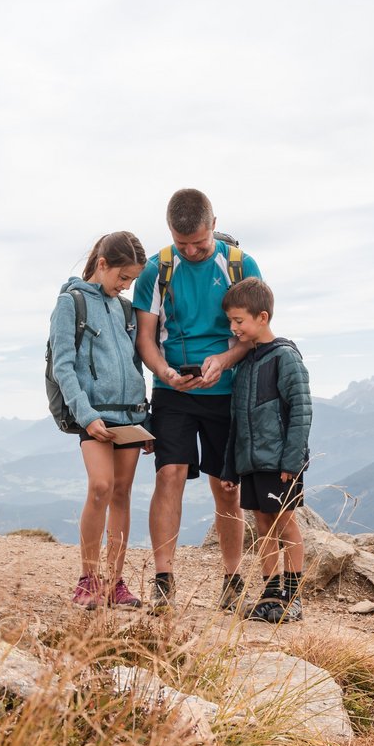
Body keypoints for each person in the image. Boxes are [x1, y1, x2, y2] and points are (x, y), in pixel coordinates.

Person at [131, 189, 262, 609]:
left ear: (214, 226)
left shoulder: (241, 265)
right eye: (181, 243)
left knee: (226, 487)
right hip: (174, 391)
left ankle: (232, 579)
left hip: (226, 390)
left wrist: (223, 360)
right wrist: (165, 372)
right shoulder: (157, 269)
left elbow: (251, 333)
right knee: (168, 475)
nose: (190, 251)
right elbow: (146, 340)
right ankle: (164, 579)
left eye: (199, 244)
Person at [48, 231, 151, 609]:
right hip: (94, 417)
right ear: (102, 264)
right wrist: (86, 415)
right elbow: (63, 366)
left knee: (122, 494)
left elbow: (133, 365)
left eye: (132, 281)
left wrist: (146, 419)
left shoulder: (124, 310)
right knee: (100, 488)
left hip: (131, 416)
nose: (125, 287)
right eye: (122, 278)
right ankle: (88, 580)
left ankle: (116, 582)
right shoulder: (70, 303)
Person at [217, 277, 311, 623]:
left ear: (262, 317)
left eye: (239, 321)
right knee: (263, 526)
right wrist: (230, 467)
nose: (234, 327)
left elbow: (301, 409)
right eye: (231, 321)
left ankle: (295, 597)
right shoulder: (245, 364)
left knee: (285, 524)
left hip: (280, 462)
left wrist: (292, 459)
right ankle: (271, 596)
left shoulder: (284, 357)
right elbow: (236, 422)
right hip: (253, 464)